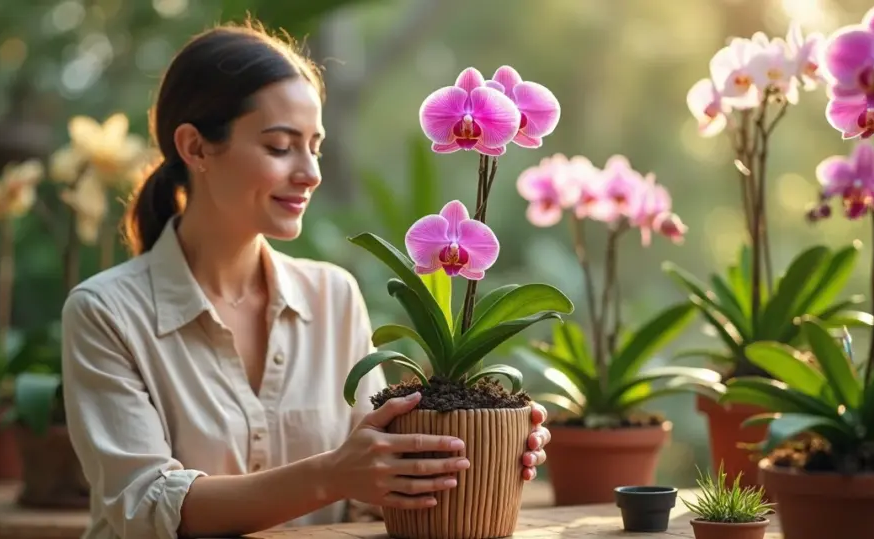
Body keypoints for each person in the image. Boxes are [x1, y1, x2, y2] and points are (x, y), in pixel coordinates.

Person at [60, 21, 551, 539]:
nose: (311, 172)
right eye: (280, 147)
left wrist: (479, 444)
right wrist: (334, 474)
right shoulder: (104, 312)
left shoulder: (332, 297)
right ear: (196, 148)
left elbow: (376, 485)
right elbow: (144, 505)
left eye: (314, 146)